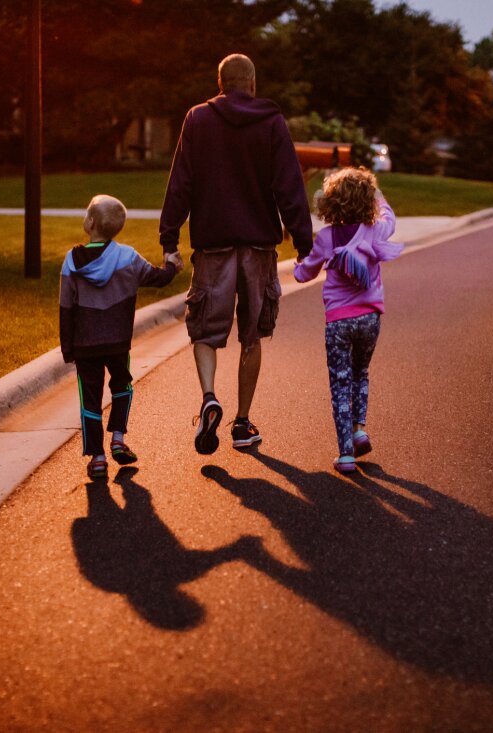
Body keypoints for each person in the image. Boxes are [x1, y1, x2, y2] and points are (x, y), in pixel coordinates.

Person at [160, 53, 313, 455]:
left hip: (214, 245)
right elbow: (289, 186)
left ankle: (210, 397)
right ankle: (242, 423)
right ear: (253, 83)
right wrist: (303, 242)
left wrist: (169, 238)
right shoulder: (272, 122)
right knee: (252, 335)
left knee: (205, 332)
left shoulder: (198, 119)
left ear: (220, 82)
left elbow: (181, 182)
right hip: (259, 247)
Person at [60, 195, 181, 479]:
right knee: (122, 386)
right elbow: (158, 278)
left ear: (90, 223)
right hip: (116, 343)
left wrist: (68, 348)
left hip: (85, 346)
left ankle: (98, 457)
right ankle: (117, 438)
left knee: (89, 399)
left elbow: (65, 308)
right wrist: (172, 265)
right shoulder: (127, 257)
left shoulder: (71, 261)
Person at [293, 167, 403, 473]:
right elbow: (389, 217)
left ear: (331, 203)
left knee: (340, 383)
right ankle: (359, 430)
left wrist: (297, 266)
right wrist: (377, 195)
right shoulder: (375, 230)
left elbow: (305, 273)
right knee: (360, 373)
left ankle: (345, 454)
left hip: (338, 323)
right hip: (370, 318)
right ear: (367, 201)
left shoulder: (326, 237)